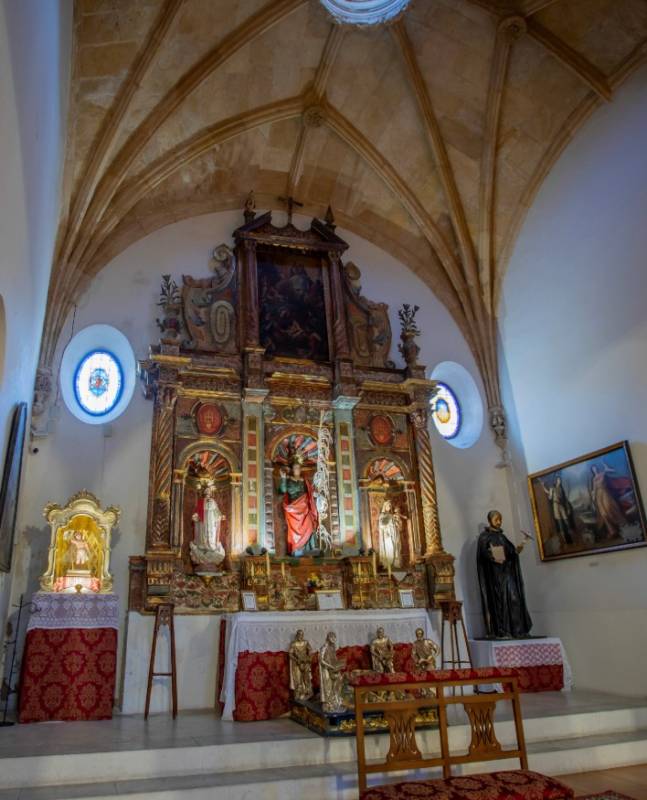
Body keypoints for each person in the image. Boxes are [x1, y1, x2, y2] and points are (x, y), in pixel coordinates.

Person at [476, 510, 532, 639]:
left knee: (514, 598)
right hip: (495, 575)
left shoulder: (502, 537)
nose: (499, 522)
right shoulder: (484, 537)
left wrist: (519, 547)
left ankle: (517, 630)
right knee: (500, 602)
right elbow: (483, 553)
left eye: (500, 519)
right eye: (496, 519)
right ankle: (502, 630)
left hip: (507, 572)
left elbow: (511, 552)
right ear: (490, 520)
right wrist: (492, 556)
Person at [278, 454, 318, 555]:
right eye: (295, 467)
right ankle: (297, 548)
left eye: (299, 468)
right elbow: (282, 491)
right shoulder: (288, 480)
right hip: (293, 509)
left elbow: (310, 492)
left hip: (304, 507)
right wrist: (283, 478)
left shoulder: (304, 480)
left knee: (309, 523)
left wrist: (315, 493)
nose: (297, 469)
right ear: (292, 469)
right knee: (294, 529)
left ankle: (310, 548)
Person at [590, 463, 627, 540]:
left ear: (597, 468)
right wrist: (593, 498)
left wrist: (606, 467)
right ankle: (612, 531)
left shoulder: (602, 473)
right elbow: (594, 489)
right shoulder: (594, 479)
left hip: (605, 493)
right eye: (593, 469)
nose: (595, 469)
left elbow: (612, 470)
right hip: (598, 496)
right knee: (603, 514)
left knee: (609, 509)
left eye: (595, 467)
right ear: (592, 471)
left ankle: (622, 524)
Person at [542, 476, 575, 545]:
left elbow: (564, 499)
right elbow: (549, 496)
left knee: (566, 521)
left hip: (561, 505)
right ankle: (565, 540)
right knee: (560, 524)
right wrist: (544, 487)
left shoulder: (560, 489)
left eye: (560, 480)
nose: (559, 481)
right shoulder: (552, 488)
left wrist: (567, 507)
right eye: (558, 480)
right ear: (556, 480)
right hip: (555, 505)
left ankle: (571, 538)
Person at [319, 631, 346, 712]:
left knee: (339, 680)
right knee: (328, 686)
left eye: (335, 638)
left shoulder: (333, 646)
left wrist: (339, 664)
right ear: (328, 638)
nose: (334, 639)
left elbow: (334, 657)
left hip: (333, 668)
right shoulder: (324, 647)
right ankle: (329, 704)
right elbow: (321, 660)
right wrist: (331, 666)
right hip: (326, 669)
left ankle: (336, 700)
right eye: (332, 637)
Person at [288, 629, 313, 701]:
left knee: (306, 678)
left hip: (305, 662)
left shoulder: (306, 642)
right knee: (298, 679)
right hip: (297, 663)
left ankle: (307, 692)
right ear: (297, 635)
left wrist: (309, 657)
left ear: (303, 635)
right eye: (299, 634)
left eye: (301, 634)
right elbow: (290, 654)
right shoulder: (293, 643)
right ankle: (298, 694)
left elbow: (310, 651)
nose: (300, 636)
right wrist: (296, 660)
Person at [378, 500, 402, 569]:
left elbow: (399, 526)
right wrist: (390, 517)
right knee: (389, 548)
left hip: (394, 533)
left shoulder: (393, 515)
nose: (390, 507)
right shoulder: (382, 515)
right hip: (388, 535)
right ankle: (389, 564)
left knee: (396, 548)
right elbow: (382, 525)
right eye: (388, 505)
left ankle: (396, 563)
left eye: (390, 505)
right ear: (385, 506)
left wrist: (397, 521)